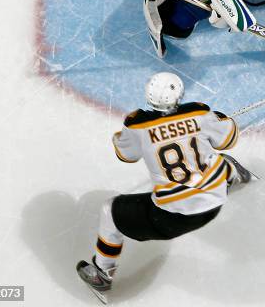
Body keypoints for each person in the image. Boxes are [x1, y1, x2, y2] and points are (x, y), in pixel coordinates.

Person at [76, 72, 252, 304]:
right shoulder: (199, 113)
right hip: (215, 201)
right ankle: (235, 175)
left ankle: (102, 273)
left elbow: (126, 154)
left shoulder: (138, 125)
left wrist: (125, 135)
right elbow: (228, 138)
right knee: (213, 158)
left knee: (110, 210)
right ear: (179, 94)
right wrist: (216, 119)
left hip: (171, 218)